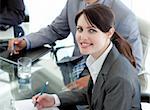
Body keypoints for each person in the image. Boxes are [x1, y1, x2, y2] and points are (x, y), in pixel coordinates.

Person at [32, 4, 146, 110]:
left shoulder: (119, 78)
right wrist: (55, 99)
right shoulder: (100, 58)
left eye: (92, 30)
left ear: (109, 33)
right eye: (80, 29)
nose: (82, 37)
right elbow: (94, 92)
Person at [8, 0, 143, 85]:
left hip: (102, 76)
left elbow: (133, 65)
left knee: (64, 108)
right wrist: (26, 41)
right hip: (74, 64)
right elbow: (55, 30)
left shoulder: (124, 15)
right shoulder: (73, 2)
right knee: (33, 88)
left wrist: (94, 79)